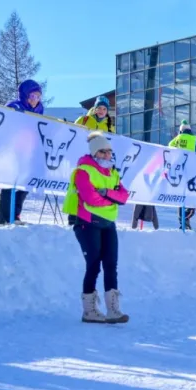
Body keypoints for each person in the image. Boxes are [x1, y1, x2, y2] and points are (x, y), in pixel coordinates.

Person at [63, 132, 130, 324]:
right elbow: (90, 198)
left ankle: (113, 310)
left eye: (109, 152)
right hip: (86, 221)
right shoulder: (83, 171)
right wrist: (112, 199)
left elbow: (124, 196)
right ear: (94, 153)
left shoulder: (113, 172)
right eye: (103, 152)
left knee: (111, 264)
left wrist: (106, 193)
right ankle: (89, 311)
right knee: (93, 264)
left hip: (108, 222)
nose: (107, 156)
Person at [0, 80, 44, 226]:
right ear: (24, 95)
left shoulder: (39, 110)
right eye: (32, 96)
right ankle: (5, 217)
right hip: (12, 150)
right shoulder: (15, 106)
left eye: (38, 97)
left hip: (29, 152)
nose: (34, 100)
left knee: (25, 184)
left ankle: (15, 214)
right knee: (9, 183)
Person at [168, 120, 196, 230]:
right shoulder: (195, 139)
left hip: (178, 175)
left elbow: (168, 153)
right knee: (193, 198)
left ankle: (182, 221)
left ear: (180, 130)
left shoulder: (174, 141)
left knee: (181, 198)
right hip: (192, 174)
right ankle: (186, 219)